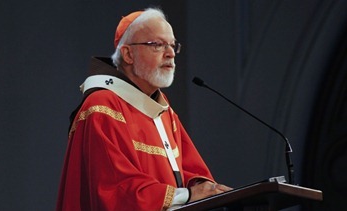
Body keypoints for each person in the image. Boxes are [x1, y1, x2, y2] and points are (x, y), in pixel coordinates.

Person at [56, 7, 231, 211]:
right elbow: (116, 190)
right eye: (157, 45)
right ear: (128, 54)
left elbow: (188, 171)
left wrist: (205, 188)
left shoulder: (162, 109)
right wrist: (189, 195)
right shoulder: (102, 106)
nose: (170, 54)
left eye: (173, 45)